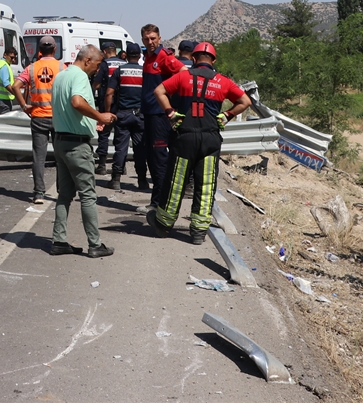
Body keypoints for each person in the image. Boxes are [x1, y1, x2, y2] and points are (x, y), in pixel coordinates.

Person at [146, 42, 252, 244]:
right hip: (210, 138)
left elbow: (159, 91)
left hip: (185, 136)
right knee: (206, 184)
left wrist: (170, 113)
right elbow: (245, 102)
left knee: (176, 181)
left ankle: (163, 224)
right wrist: (227, 115)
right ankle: (198, 232)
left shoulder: (182, 76)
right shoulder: (223, 81)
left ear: (193, 59)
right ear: (214, 60)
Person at [49, 45, 117, 258]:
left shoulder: (62, 76)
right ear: (87, 60)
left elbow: (68, 109)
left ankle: (59, 240)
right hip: (77, 146)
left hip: (61, 141)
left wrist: (91, 121)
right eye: (97, 64)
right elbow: (76, 102)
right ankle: (95, 244)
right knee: (88, 195)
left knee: (64, 195)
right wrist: (100, 116)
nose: (98, 69)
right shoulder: (79, 76)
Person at [139, 24, 185, 210]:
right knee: (151, 157)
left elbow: (183, 73)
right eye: (146, 39)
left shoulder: (164, 56)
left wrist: (168, 94)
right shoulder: (148, 57)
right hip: (149, 114)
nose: (150, 42)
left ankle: (160, 204)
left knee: (159, 159)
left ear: (159, 38)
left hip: (160, 115)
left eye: (153, 38)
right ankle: (158, 202)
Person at [12, 35, 59, 204]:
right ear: (54, 49)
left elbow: (16, 85)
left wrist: (24, 106)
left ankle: (39, 193)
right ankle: (62, 190)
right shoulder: (62, 67)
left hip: (38, 116)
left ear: (39, 50)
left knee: (39, 157)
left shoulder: (31, 68)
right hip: (58, 118)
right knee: (61, 156)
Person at [104, 41, 145, 191]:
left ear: (126, 55)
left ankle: (116, 179)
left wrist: (108, 112)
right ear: (139, 56)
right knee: (140, 149)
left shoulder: (119, 71)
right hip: (140, 116)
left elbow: (109, 93)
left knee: (121, 148)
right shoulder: (145, 72)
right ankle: (142, 181)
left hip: (123, 114)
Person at [92, 42, 124, 174]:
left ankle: (102, 165)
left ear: (105, 52)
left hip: (106, 103)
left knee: (104, 134)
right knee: (120, 136)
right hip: (122, 105)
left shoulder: (105, 64)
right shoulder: (124, 63)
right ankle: (121, 166)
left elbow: (96, 84)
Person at [0, 47, 19, 114]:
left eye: (15, 58)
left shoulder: (0, 64)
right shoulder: (4, 66)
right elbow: (6, 83)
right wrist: (16, 94)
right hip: (3, 100)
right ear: (5, 55)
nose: (13, 60)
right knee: (5, 119)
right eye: (11, 57)